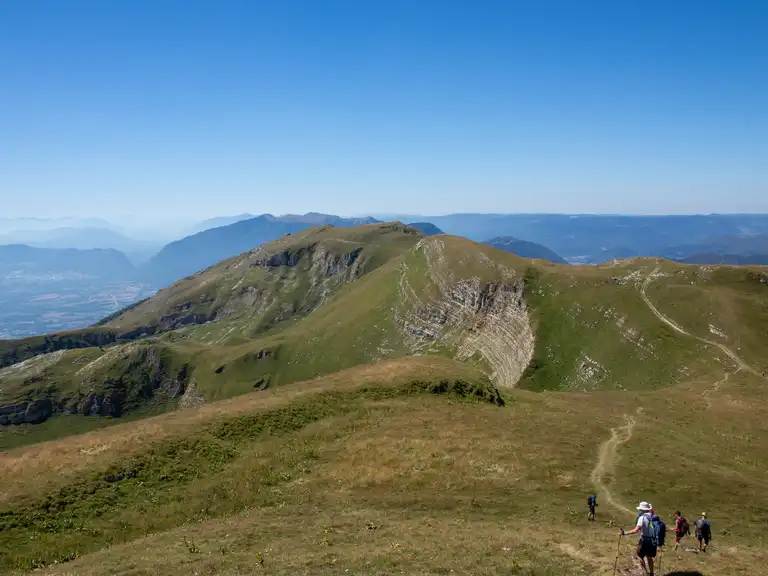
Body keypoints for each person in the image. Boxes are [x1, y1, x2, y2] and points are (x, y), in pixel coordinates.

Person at [619, 501, 658, 576]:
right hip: (653, 540)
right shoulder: (654, 517)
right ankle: (652, 573)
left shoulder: (642, 517)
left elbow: (636, 530)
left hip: (645, 540)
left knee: (639, 555)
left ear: (642, 509)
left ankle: (644, 572)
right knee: (649, 557)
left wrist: (624, 533)